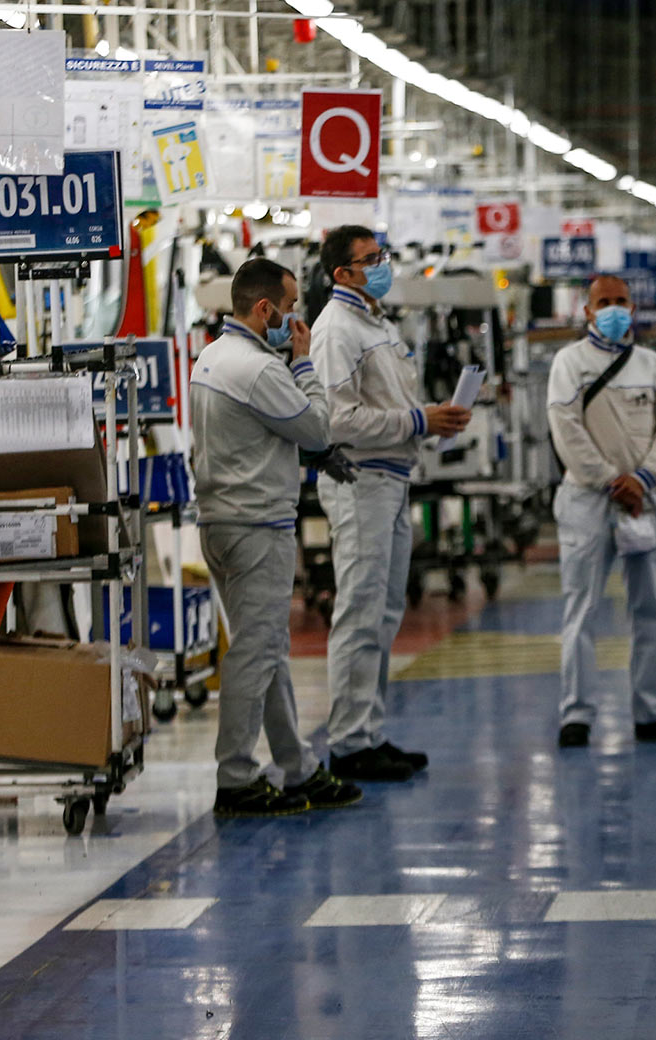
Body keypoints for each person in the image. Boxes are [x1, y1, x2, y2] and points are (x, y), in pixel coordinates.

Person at [191, 258, 362, 817]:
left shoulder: (211, 357)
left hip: (221, 523)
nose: (295, 321)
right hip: (256, 526)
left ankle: (296, 767)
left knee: (266, 651)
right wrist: (305, 363)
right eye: (289, 309)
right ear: (264, 309)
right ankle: (236, 778)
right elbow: (316, 427)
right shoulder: (260, 369)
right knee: (254, 654)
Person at [311, 226, 471, 783]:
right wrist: (419, 419)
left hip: (393, 480)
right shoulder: (336, 329)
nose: (383, 265)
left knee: (382, 614)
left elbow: (386, 403)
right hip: (361, 483)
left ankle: (368, 733)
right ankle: (347, 743)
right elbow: (338, 420)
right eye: (370, 259)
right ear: (342, 273)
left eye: (382, 255)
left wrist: (432, 417)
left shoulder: (376, 324)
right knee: (359, 614)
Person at [546, 274, 656, 749]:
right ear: (587, 311)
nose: (612, 309)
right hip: (588, 500)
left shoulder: (652, 365)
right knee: (581, 609)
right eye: (603, 302)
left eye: (620, 301)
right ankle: (576, 714)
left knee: (650, 609)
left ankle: (653, 711)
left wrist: (644, 478)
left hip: (644, 501)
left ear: (633, 308)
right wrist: (612, 480)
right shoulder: (569, 363)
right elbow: (566, 429)